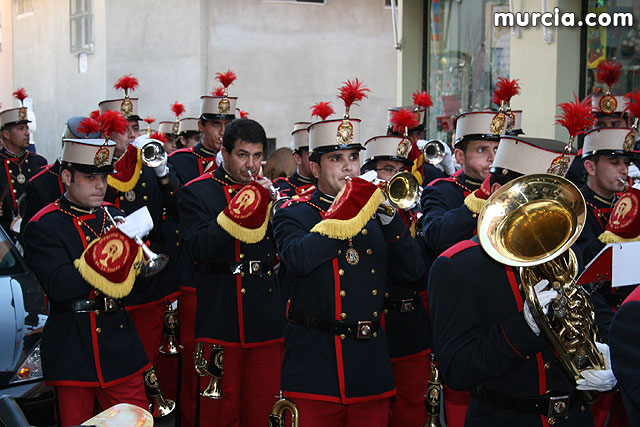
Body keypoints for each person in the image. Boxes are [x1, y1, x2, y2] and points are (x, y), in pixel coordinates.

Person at [429, 134, 616, 426]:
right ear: (498, 192)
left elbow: (598, 312)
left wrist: (608, 356)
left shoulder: (568, 252)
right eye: (536, 194)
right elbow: (457, 368)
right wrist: (526, 326)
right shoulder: (457, 265)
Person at [272, 79, 425, 426]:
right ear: (314, 168)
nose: (348, 168)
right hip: (314, 369)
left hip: (368, 369)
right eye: (336, 159)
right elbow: (298, 259)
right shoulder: (294, 213)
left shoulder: (376, 216)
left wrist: (388, 218)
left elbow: (413, 273)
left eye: (354, 158)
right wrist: (352, 210)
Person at [21, 137, 149, 427]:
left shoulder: (116, 215)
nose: (100, 185)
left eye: (103, 177)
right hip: (73, 347)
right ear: (67, 177)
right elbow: (59, 285)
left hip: (119, 343)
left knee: (137, 420)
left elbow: (138, 287)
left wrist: (137, 263)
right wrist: (107, 254)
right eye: (90, 177)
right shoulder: (44, 224)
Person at [178, 118, 285, 427]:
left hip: (265, 314)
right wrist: (236, 212)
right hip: (221, 311)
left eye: (256, 156)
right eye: (242, 155)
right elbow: (197, 247)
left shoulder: (269, 191)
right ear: (223, 153)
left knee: (262, 406)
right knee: (219, 410)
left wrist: (276, 210)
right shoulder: (197, 192)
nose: (250, 165)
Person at [100, 75, 181, 412]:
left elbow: (178, 209)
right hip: (116, 277)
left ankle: (148, 405)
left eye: (134, 126)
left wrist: (164, 173)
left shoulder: (148, 165)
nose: (132, 134)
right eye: (124, 128)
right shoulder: (96, 168)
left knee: (148, 349)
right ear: (107, 132)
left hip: (149, 279)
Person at [167, 70, 239, 427]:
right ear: (202, 124)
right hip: (194, 273)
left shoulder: (244, 168)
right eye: (216, 123)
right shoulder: (181, 162)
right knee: (198, 363)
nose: (222, 129)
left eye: (228, 122)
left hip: (232, 279)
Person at [360, 127, 431, 427]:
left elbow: (415, 270)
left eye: (400, 171)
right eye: (387, 169)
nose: (394, 178)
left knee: (411, 408)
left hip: (408, 324)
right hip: (371, 327)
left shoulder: (412, 213)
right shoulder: (356, 213)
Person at [21, 116, 100, 232]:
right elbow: (28, 232)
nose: (100, 185)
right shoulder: (40, 183)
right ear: (64, 146)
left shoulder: (101, 180)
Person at [0, 89, 48, 235]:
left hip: (34, 229)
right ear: (6, 134)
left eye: (27, 127)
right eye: (21, 128)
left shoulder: (39, 161)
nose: (27, 132)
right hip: (4, 232)